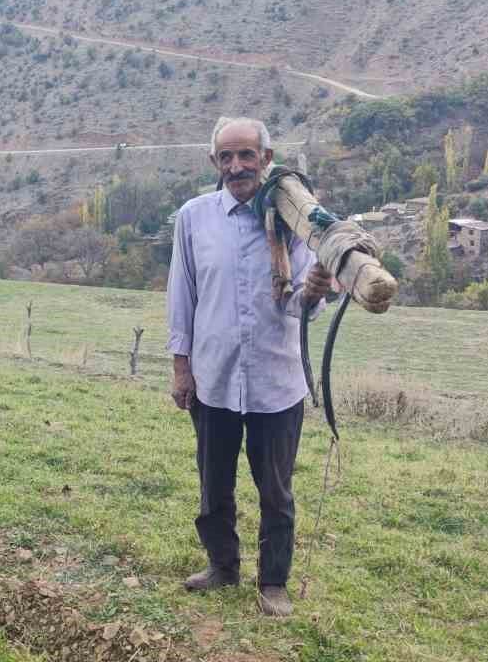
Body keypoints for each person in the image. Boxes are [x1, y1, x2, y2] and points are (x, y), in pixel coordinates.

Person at [165, 117, 370, 617]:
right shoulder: (193, 218)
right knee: (213, 482)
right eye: (227, 157)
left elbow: (299, 304)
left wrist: (315, 292)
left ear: (267, 159)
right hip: (213, 378)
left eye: (247, 156)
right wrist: (181, 367)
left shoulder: (293, 221)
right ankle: (222, 565)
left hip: (276, 382)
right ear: (214, 163)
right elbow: (182, 295)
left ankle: (273, 583)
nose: (237, 166)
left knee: (275, 490)